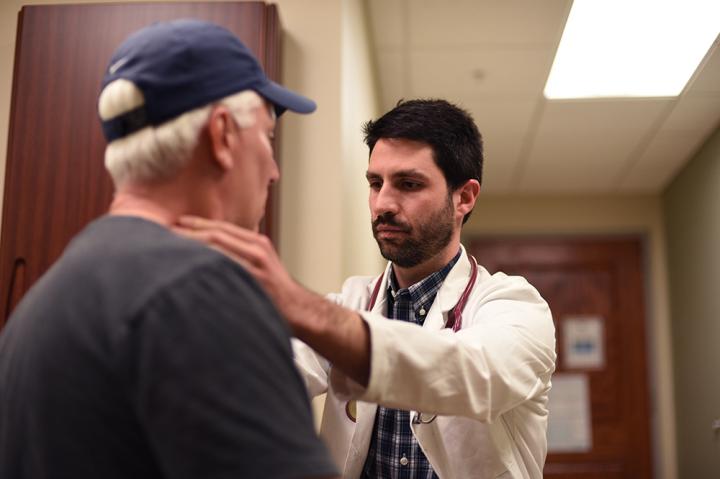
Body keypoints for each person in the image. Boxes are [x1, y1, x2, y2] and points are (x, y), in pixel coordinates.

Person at [0, 19, 339, 479]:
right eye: (268, 137)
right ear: (222, 135)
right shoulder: (202, 292)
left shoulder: (40, 304)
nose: (274, 171)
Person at [177, 99, 557, 478]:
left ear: (464, 197)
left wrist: (300, 305)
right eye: (376, 183)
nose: (383, 204)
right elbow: (260, 377)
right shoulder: (354, 304)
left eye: (408, 184)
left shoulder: (516, 307)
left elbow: (475, 374)